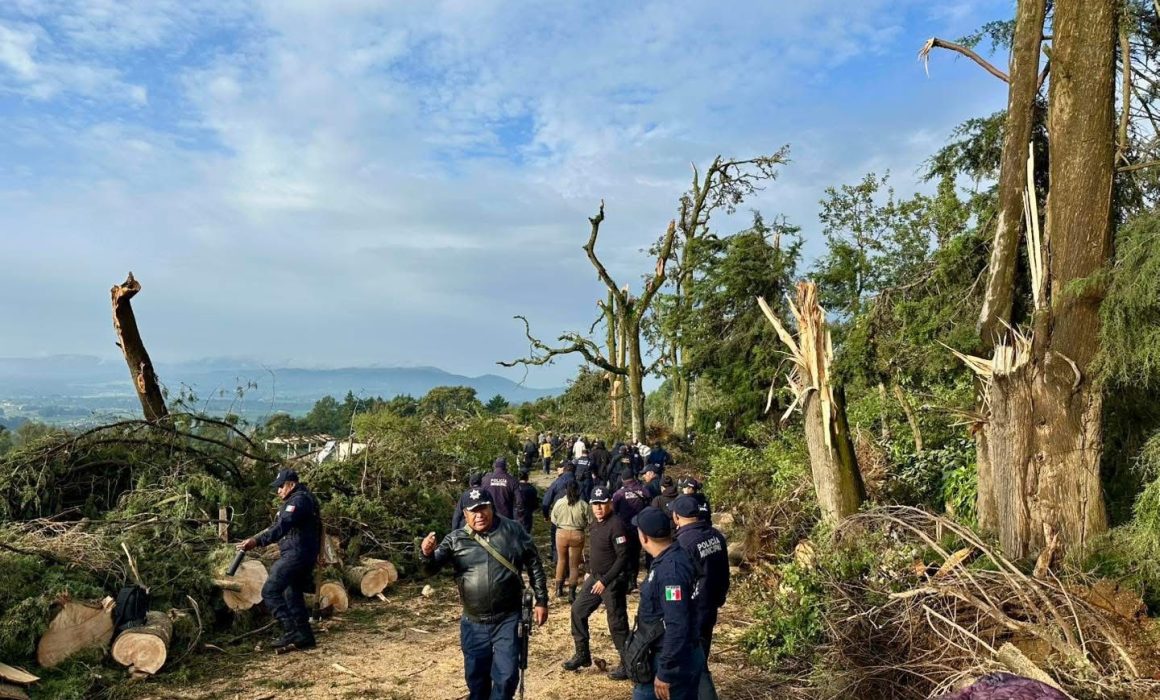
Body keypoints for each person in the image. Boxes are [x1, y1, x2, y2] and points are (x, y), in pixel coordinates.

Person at [421, 489, 549, 700]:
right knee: (477, 680)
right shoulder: (455, 540)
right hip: (473, 623)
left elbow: (534, 563)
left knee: (506, 677)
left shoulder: (513, 530)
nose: (479, 515)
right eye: (473, 511)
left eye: (483, 509)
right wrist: (426, 554)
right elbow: (429, 570)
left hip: (507, 619)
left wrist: (541, 600)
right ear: (465, 514)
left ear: (492, 507)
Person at [237, 468, 322, 652]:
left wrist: (257, 542)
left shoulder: (298, 501)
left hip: (296, 555)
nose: (278, 491)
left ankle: (291, 630)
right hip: (300, 553)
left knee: (270, 591)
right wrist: (256, 538)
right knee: (292, 593)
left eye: (281, 486)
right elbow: (277, 526)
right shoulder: (299, 499)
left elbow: (282, 526)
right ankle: (305, 636)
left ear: (291, 484)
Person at [627, 507, 706, 700]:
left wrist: (666, 671)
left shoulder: (671, 573)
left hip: (671, 658)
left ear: (644, 537)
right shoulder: (675, 555)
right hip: (679, 652)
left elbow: (677, 623)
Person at [563, 486, 631, 679]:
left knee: (617, 622)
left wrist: (606, 580)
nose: (599, 508)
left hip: (612, 580)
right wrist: (588, 572)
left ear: (610, 503)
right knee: (578, 610)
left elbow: (623, 557)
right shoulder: (594, 523)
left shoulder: (616, 525)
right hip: (595, 577)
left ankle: (627, 664)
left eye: (602, 504)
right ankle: (582, 654)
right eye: (595, 504)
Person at [672, 496, 730, 659]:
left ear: (676, 516)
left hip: (691, 609)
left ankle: (699, 675)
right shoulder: (716, 535)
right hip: (710, 604)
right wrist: (720, 597)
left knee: (689, 657)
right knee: (703, 649)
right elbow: (724, 570)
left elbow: (677, 581)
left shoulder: (683, 543)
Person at [550, 480, 591, 600]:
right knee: (574, 565)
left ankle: (559, 589)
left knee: (561, 561)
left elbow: (553, 519)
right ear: (578, 490)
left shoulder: (559, 502)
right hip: (577, 534)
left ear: (565, 490)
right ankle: (572, 593)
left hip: (561, 533)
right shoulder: (583, 504)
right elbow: (590, 520)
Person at [612, 468, 650, 592]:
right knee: (635, 555)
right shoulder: (643, 490)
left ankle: (625, 580)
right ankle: (633, 582)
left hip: (623, 529)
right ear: (633, 477)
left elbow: (614, 511)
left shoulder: (619, 494)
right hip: (639, 528)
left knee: (623, 554)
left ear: (622, 479)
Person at [541, 462, 575, 563]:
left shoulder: (558, 481)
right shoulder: (577, 482)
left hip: (559, 514)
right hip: (574, 515)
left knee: (556, 536)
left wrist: (546, 515)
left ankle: (557, 559)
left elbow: (546, 500)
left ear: (564, 470)